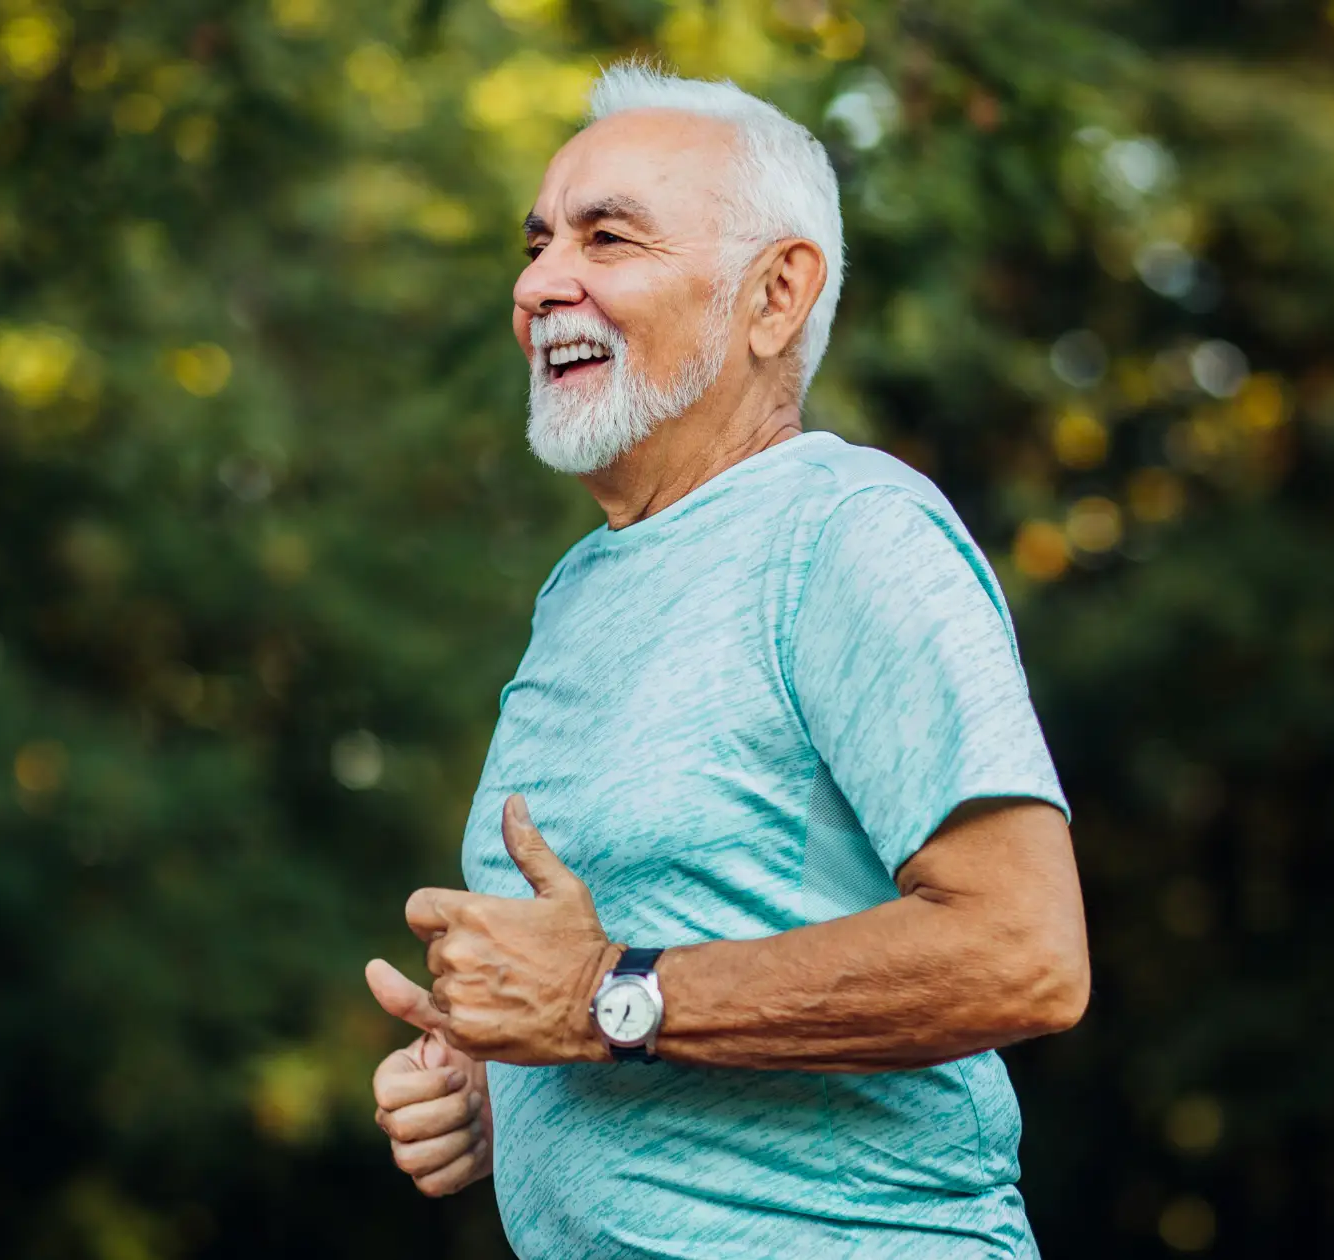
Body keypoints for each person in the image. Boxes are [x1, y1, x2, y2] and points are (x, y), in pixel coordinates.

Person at [363, 61, 1089, 1258]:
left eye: (609, 239)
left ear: (773, 295)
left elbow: (1024, 953)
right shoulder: (580, 592)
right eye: (538, 242)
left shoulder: (848, 531)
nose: (541, 283)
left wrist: (604, 1000)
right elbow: (639, 979)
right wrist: (494, 1092)